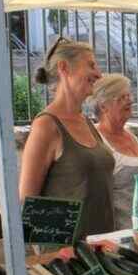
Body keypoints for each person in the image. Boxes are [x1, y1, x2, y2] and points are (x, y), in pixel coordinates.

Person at [19, 37, 115, 238]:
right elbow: (28, 201)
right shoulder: (46, 125)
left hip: (102, 248)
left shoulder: (86, 122)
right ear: (64, 68)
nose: (99, 74)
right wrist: (55, 254)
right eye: (91, 65)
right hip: (68, 258)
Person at [90, 74, 138, 230]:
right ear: (103, 106)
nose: (130, 101)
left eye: (129, 95)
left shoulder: (130, 133)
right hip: (125, 238)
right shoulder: (97, 141)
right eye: (121, 97)